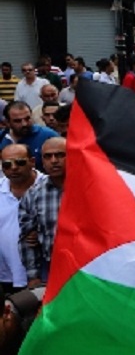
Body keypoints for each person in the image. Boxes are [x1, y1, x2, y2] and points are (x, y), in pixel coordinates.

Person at [18, 137, 66, 287]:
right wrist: (33, 276)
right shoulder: (33, 194)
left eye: (60, 155)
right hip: (52, 268)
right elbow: (27, 239)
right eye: (48, 156)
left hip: (91, 269)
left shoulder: (90, 188)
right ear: (42, 161)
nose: (54, 161)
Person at [0, 144, 44, 293]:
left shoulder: (50, 187)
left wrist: (43, 234)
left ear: (32, 161)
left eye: (20, 162)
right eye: (7, 165)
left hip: (45, 273)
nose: (13, 168)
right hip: (6, 276)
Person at [0, 102, 60, 171]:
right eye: (17, 121)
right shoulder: (2, 137)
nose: (24, 124)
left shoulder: (48, 136)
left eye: (27, 119)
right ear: (7, 122)